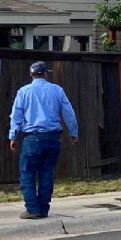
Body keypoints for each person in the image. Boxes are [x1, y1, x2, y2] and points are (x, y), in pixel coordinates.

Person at [8, 61, 78, 220]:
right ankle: (44, 208)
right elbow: (69, 113)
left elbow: (16, 116)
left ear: (31, 74)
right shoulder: (57, 90)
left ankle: (32, 209)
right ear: (45, 73)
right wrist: (73, 132)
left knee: (27, 173)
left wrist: (13, 136)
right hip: (53, 137)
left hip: (32, 138)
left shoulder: (23, 92)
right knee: (47, 173)